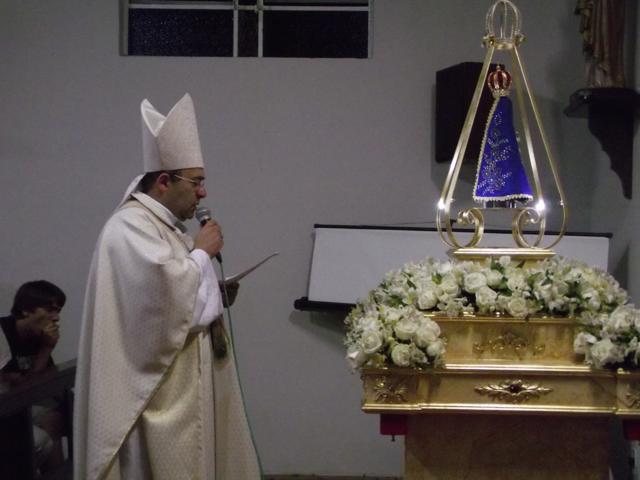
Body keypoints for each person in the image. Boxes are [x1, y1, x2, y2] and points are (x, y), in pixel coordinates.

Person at [73, 94, 261, 480]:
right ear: (163, 181)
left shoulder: (165, 227)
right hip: (155, 396)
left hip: (182, 385)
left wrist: (214, 287)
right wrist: (202, 254)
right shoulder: (129, 228)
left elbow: (175, 290)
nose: (203, 193)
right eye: (197, 182)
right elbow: (159, 306)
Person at [0, 280, 67, 472]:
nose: (55, 318)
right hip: (7, 406)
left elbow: (47, 384)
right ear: (25, 310)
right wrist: (46, 349)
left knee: (54, 417)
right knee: (41, 437)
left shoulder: (36, 335)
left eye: (58, 311)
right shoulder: (4, 333)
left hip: (21, 405)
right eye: (49, 309)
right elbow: (17, 390)